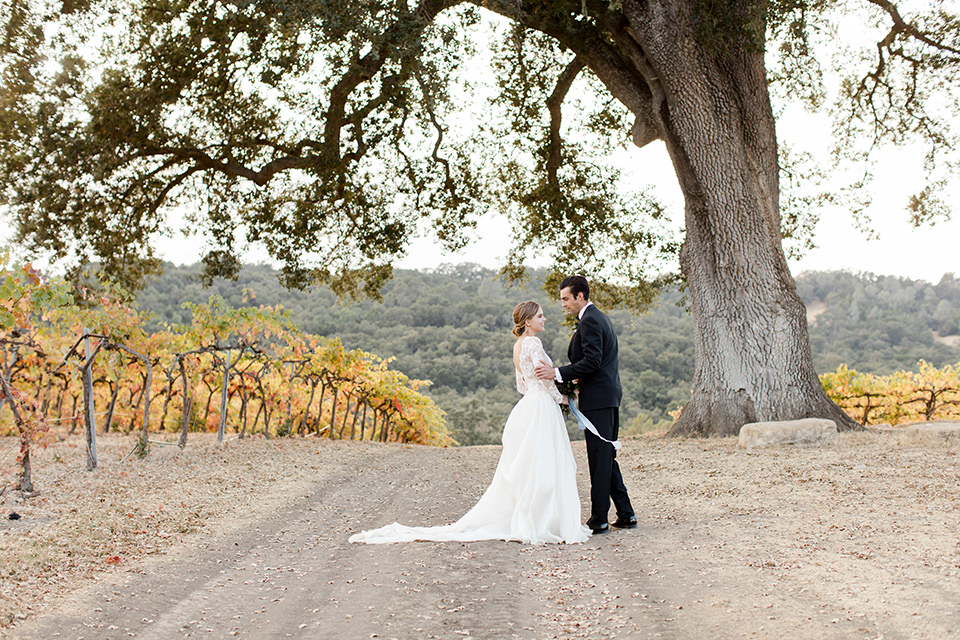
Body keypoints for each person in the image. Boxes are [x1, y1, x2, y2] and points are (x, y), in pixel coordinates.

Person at [349, 301, 590, 545]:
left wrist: (543, 393)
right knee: (546, 462)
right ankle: (544, 521)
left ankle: (533, 517)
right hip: (541, 406)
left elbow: (522, 385)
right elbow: (544, 377)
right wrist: (562, 397)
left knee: (532, 463)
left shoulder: (518, 346)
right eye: (540, 315)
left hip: (529, 403)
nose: (544, 318)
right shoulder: (533, 342)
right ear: (528, 321)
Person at [535, 275, 636, 534]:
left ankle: (599, 519)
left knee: (599, 459)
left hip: (599, 399)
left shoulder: (590, 321)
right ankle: (626, 513)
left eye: (566, 299)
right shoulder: (599, 317)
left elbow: (592, 362)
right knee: (606, 456)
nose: (563, 304)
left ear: (580, 296)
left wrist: (556, 373)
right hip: (607, 396)